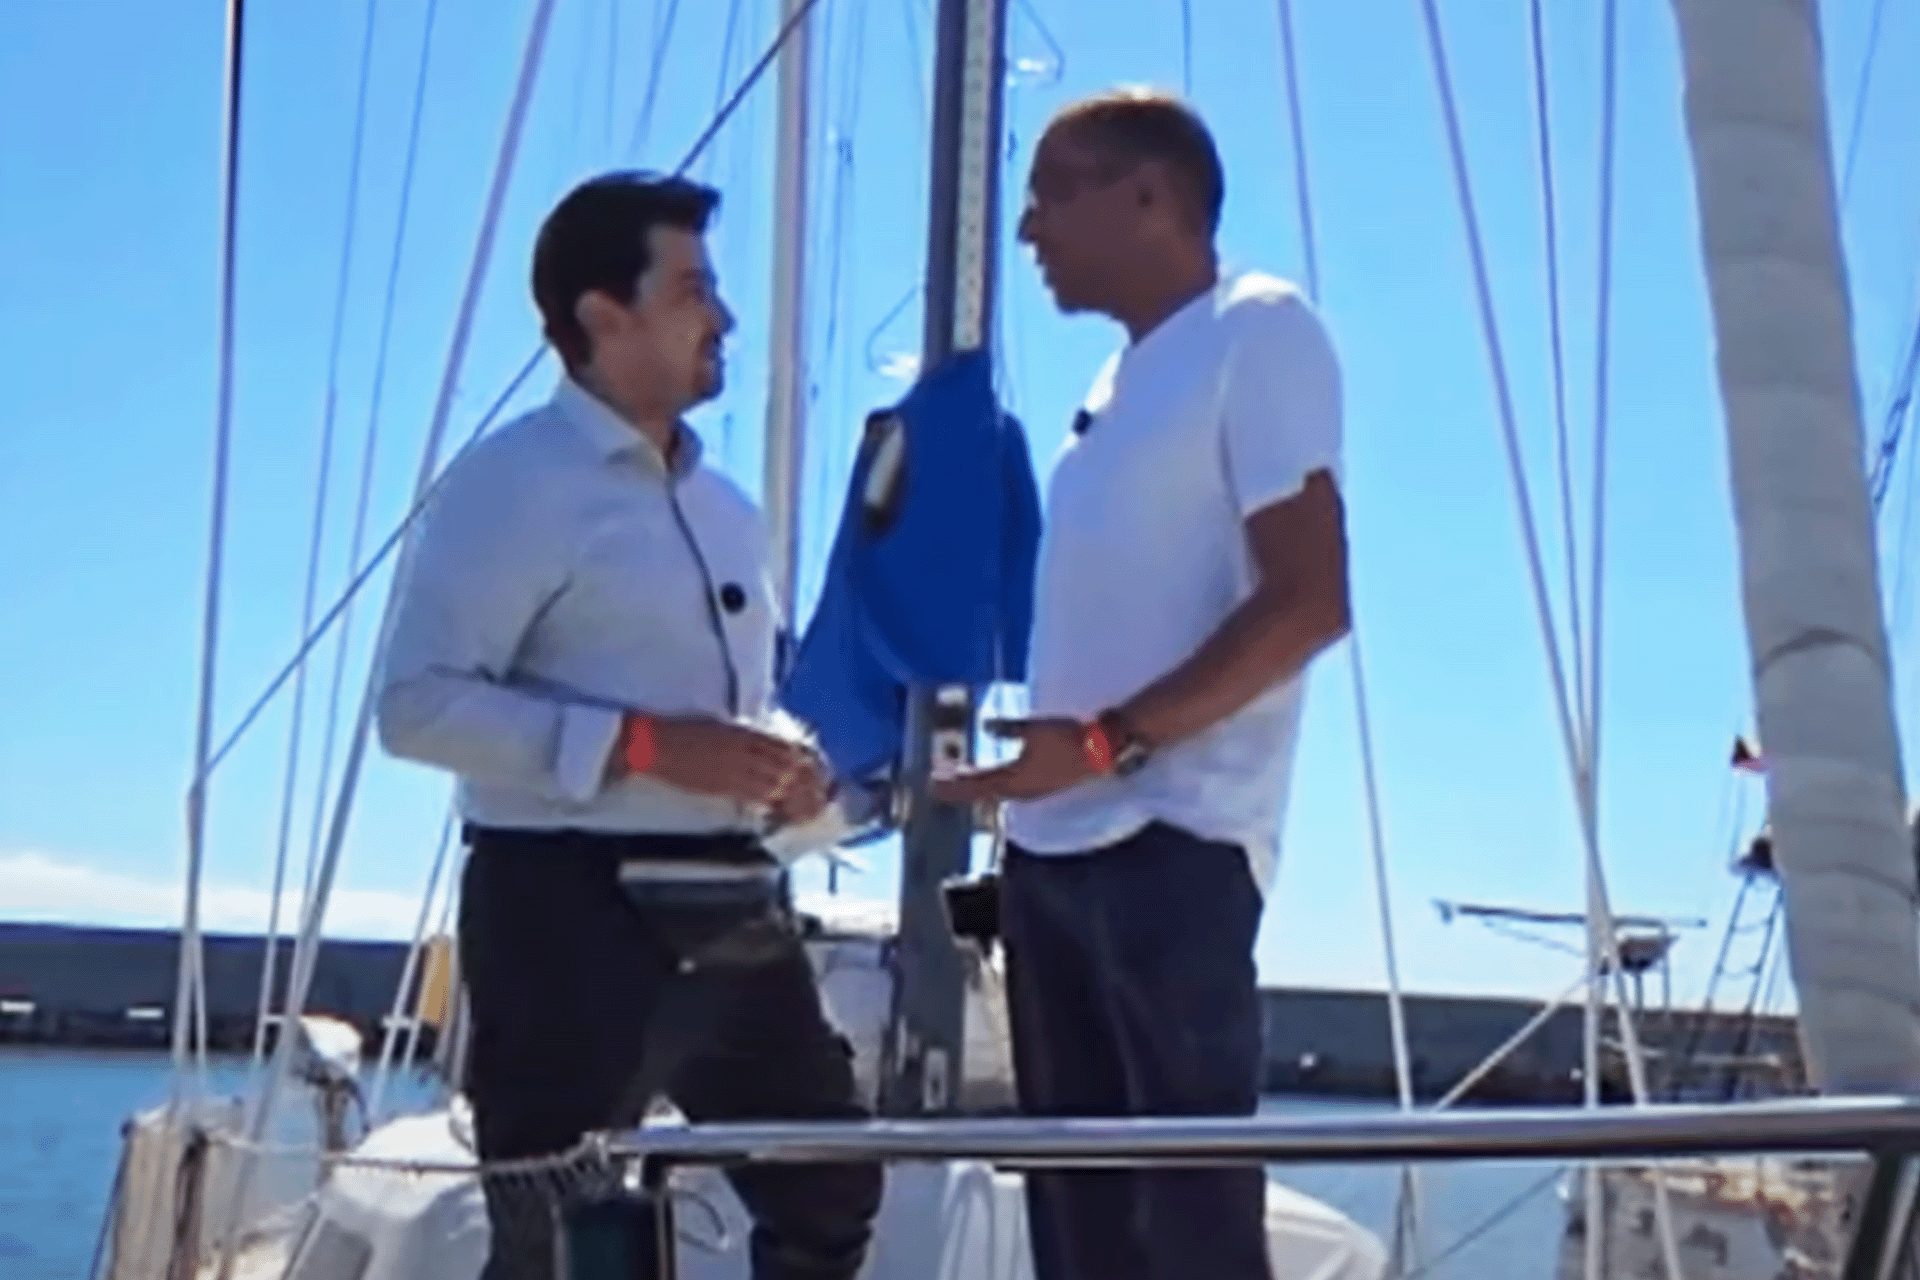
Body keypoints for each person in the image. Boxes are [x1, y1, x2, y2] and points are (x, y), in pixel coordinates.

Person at [376, 171, 882, 1280]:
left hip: (724, 891)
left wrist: (785, 765)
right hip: (563, 900)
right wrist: (643, 746)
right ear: (604, 316)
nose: (726, 317)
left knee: (830, 1175)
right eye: (694, 290)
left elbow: (730, 707)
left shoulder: (725, 508)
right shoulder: (511, 485)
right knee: (558, 1227)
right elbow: (415, 705)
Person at [933, 89, 1351, 1280]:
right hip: (1051, 859)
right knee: (1081, 1238)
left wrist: (1103, 744)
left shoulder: (1258, 329)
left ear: (1150, 195)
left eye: (1050, 195)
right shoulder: (1118, 385)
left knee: (1186, 1235)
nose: (1026, 229)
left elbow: (1309, 601)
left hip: (1169, 845)